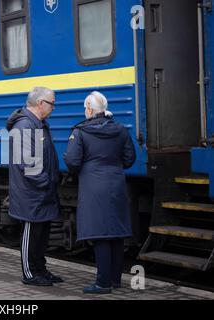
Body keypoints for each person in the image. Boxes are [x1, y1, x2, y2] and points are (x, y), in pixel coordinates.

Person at [64, 91, 136, 294]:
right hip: (116, 183)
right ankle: (115, 280)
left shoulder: (81, 131)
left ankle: (102, 283)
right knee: (116, 233)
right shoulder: (120, 129)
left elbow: (72, 161)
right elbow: (129, 158)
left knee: (100, 234)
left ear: (89, 109)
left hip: (93, 185)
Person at [6, 87, 62, 286]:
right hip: (31, 192)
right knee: (31, 233)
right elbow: (28, 164)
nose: (54, 107)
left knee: (42, 234)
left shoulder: (39, 125)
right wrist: (46, 181)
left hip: (41, 191)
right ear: (40, 104)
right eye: (52, 103)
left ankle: (41, 269)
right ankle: (29, 273)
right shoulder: (24, 127)